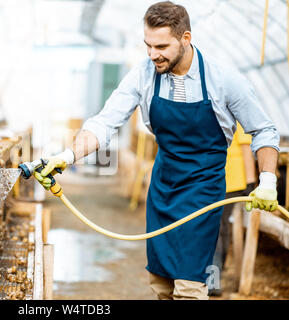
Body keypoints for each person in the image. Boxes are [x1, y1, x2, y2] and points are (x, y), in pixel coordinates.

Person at [34, 1, 280, 300]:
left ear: (185, 39)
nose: (153, 54)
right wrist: (67, 156)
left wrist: (268, 182)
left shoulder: (224, 80)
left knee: (190, 285)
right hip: (163, 187)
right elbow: (105, 122)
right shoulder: (143, 74)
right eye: (148, 45)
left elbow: (264, 130)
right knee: (160, 282)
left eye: (161, 46)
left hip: (203, 191)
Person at [209, 123, 256, 296]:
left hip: (230, 181)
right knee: (221, 228)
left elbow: (246, 149)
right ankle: (216, 272)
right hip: (215, 179)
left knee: (216, 229)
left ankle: (213, 279)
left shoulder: (236, 117)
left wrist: (251, 182)